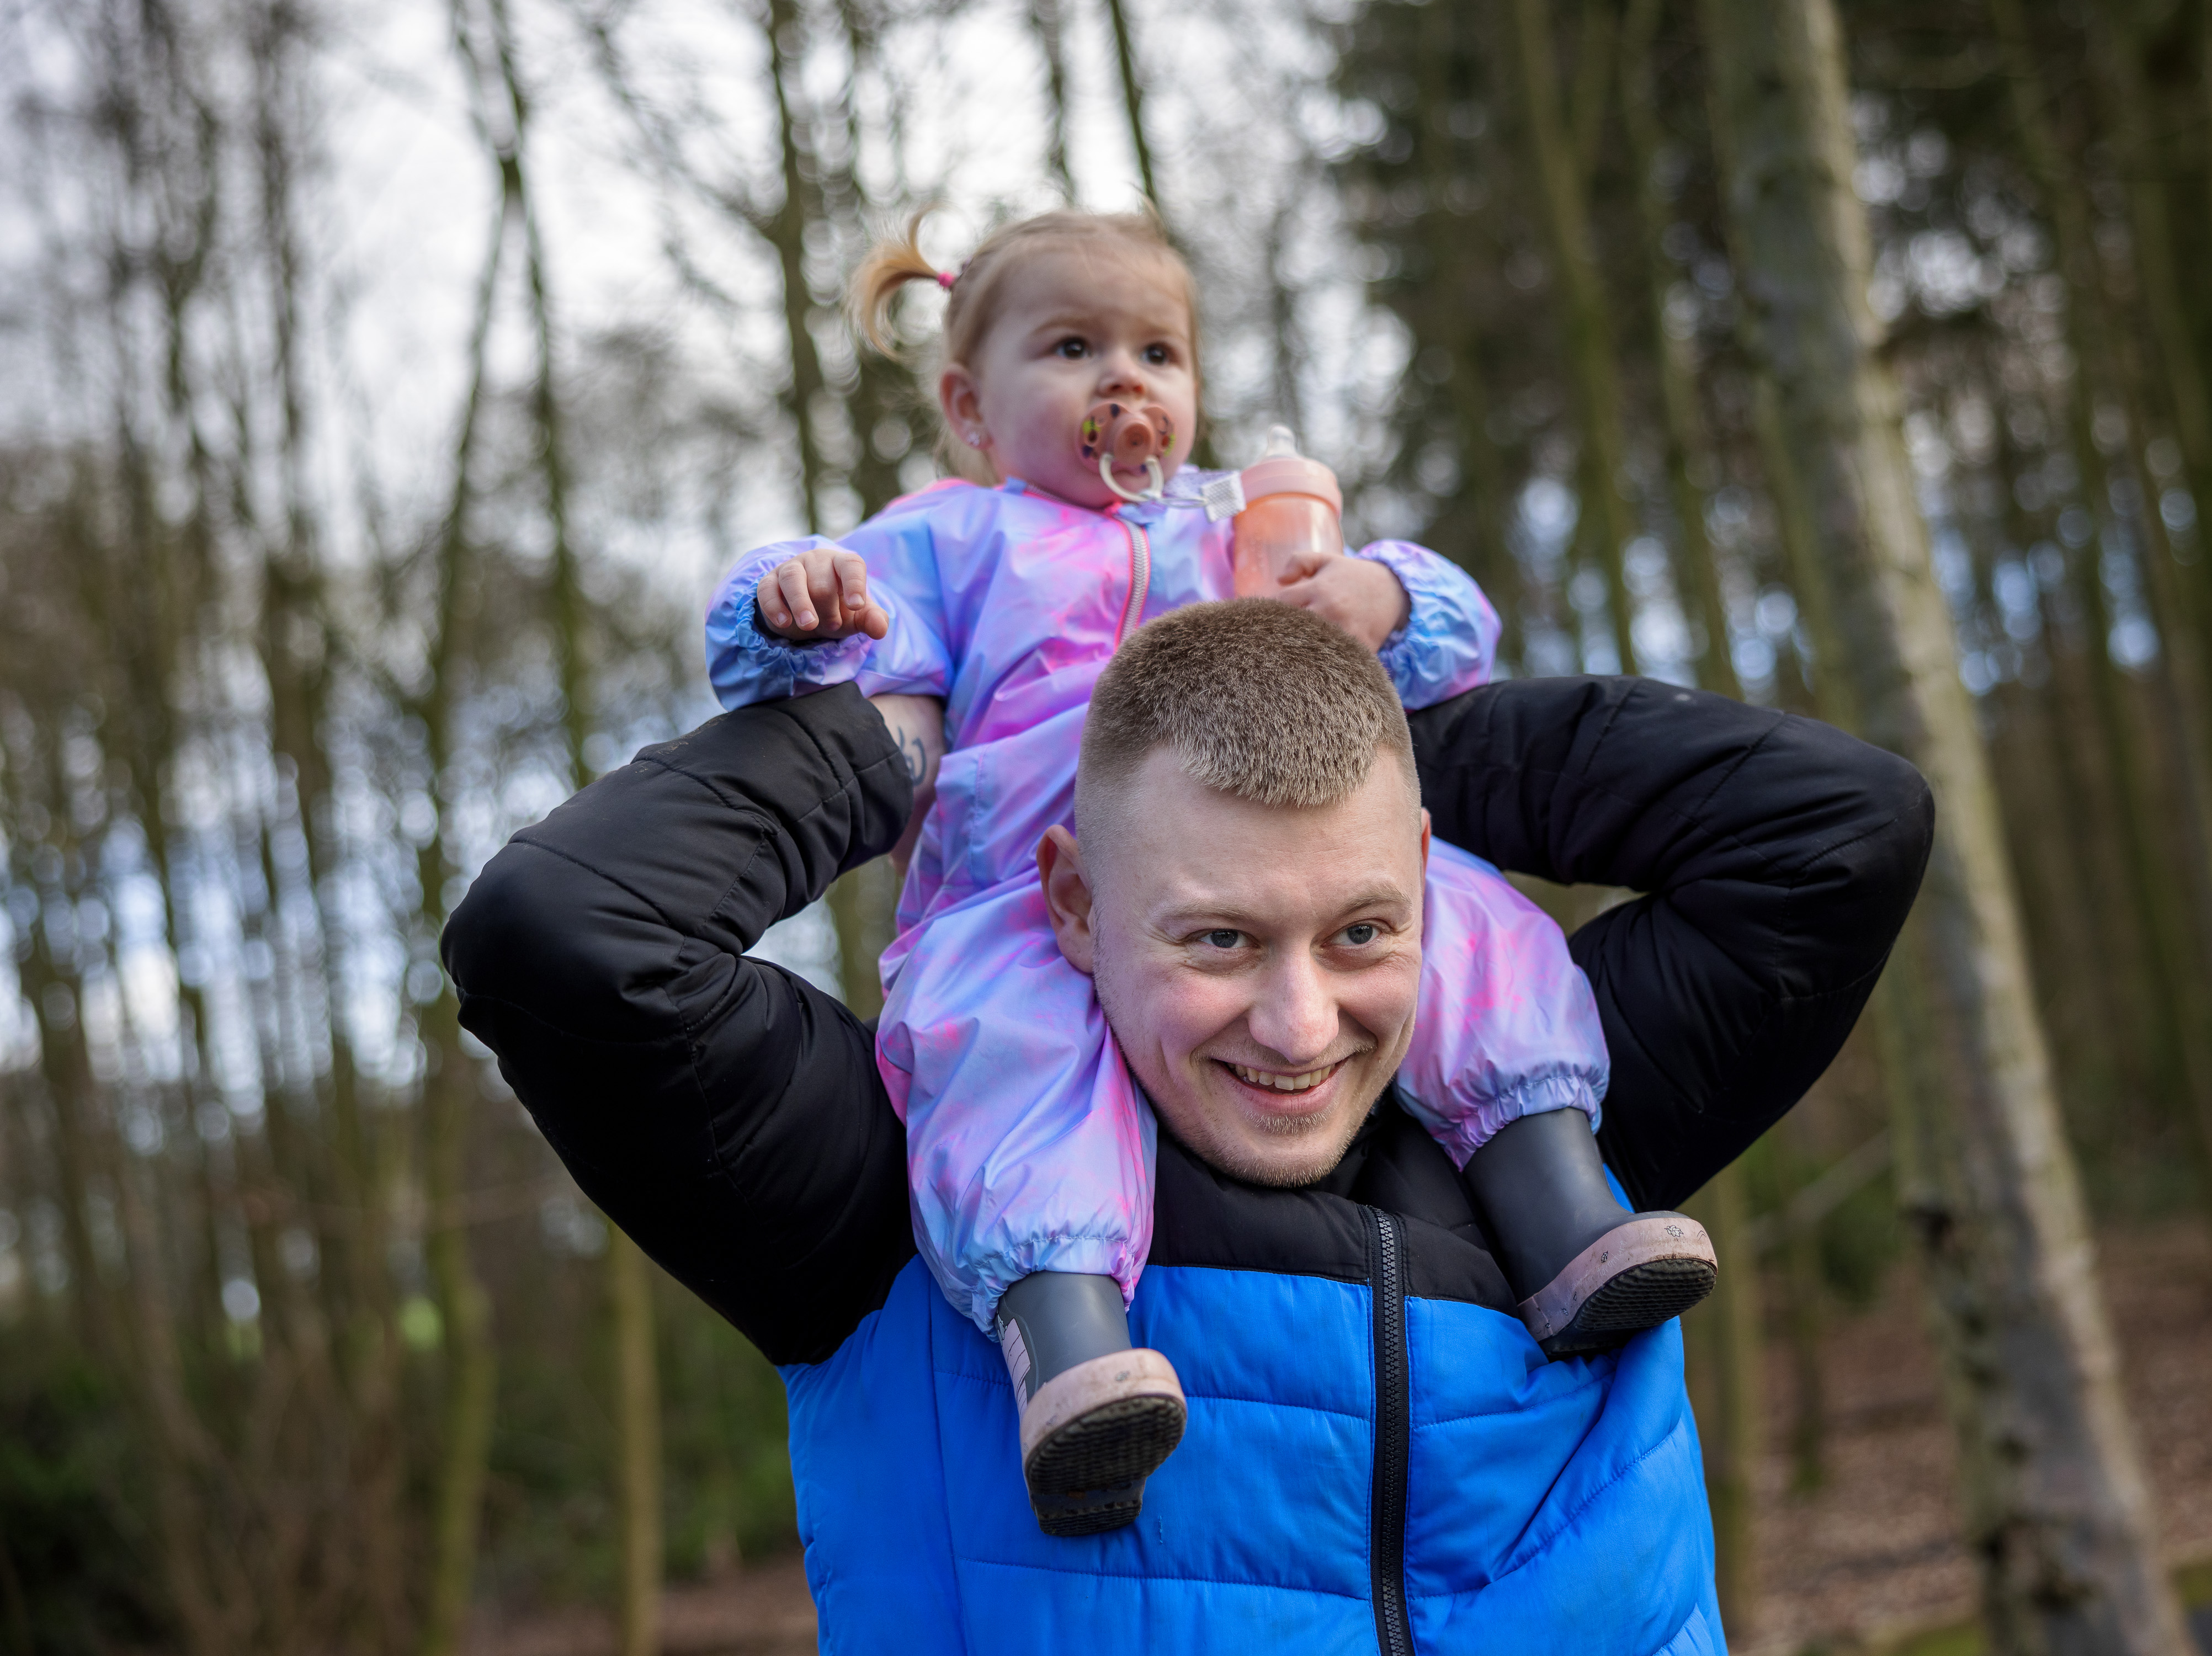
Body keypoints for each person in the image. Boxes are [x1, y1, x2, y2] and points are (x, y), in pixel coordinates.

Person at [443, 600, 1932, 1652]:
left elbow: (1839, 824)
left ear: (1422, 873)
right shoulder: (896, 1200)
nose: (1298, 1027)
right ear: (1074, 902)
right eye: (1216, 941)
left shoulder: (1553, 1136)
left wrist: (1388, 725)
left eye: (1361, 929)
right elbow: (564, 933)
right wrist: (905, 742)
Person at [698, 208, 1711, 1532]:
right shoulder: (952, 538)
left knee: (1459, 915)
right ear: (972, 406)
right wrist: (798, 595)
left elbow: (1450, 636)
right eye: (1072, 347)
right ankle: (1067, 1340)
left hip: (1266, 864)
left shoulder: (1227, 530)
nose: (1126, 381)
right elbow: (804, 645)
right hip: (1025, 887)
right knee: (1005, 1055)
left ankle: (1559, 1199)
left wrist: (1384, 600)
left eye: (1158, 351)